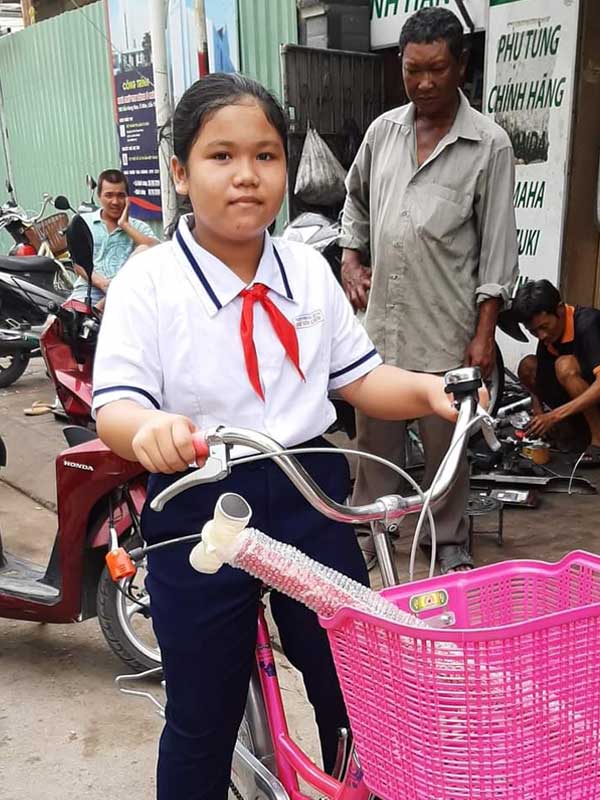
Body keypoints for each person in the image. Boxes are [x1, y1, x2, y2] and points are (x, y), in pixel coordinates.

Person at [92, 73, 466, 800]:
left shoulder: (305, 268)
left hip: (311, 497)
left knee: (355, 693)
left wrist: (425, 388)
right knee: (202, 714)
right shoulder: (150, 281)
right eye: (221, 156)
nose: (246, 176)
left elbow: (357, 379)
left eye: (265, 156)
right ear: (180, 171)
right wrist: (151, 431)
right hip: (200, 502)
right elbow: (117, 407)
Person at [339, 7, 518, 573]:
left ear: (461, 65)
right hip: (382, 337)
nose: (423, 83)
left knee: (447, 456)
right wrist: (350, 259)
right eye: (412, 70)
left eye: (436, 69)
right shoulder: (383, 132)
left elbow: (496, 249)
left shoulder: (489, 146)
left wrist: (485, 334)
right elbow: (356, 202)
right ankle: (370, 540)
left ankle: (447, 542)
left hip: (446, 336)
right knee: (373, 452)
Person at [512, 279, 600, 465]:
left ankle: (598, 442)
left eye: (544, 327)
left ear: (560, 310)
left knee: (564, 366)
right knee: (528, 366)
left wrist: (553, 416)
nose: (541, 336)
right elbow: (541, 377)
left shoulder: (588, 324)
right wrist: (538, 413)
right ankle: (575, 431)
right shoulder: (548, 337)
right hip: (579, 404)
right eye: (534, 332)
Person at [69, 168, 158, 310]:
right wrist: (103, 284)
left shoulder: (137, 227)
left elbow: (157, 250)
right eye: (109, 195)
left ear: (128, 198)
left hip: (127, 295)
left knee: (143, 249)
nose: (115, 202)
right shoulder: (84, 223)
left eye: (120, 195)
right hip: (87, 291)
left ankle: (101, 307)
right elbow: (77, 264)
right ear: (99, 196)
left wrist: (125, 225)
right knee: (54, 324)